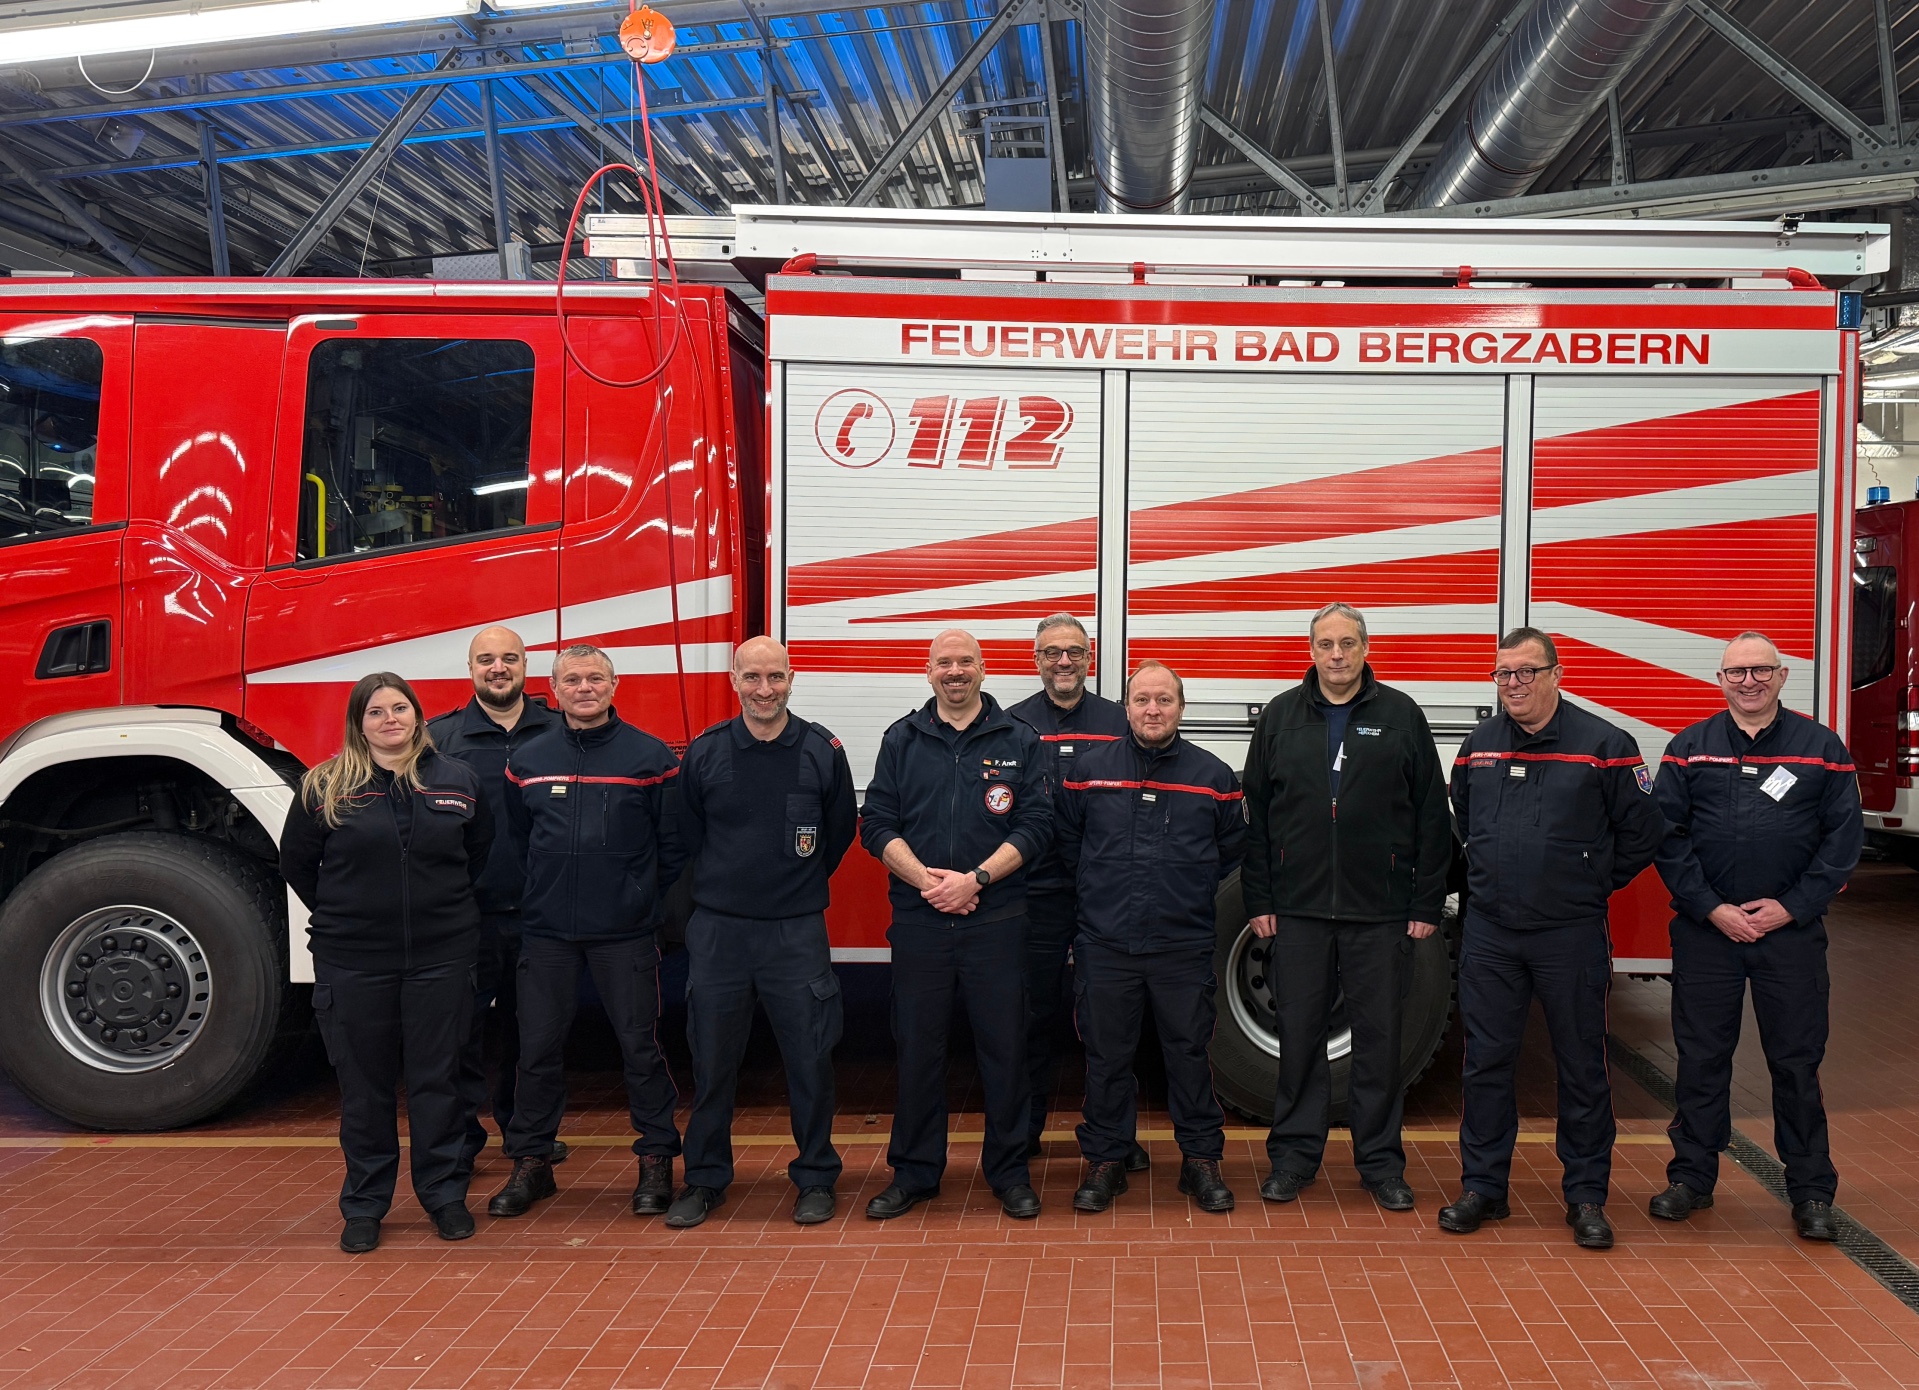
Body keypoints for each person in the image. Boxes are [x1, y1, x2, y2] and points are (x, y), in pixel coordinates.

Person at [1439, 627, 1663, 1250]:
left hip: (1569, 934)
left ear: (1557, 674)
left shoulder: (1606, 745)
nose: (1513, 684)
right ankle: (1483, 1188)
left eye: (1525, 672)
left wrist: (1592, 881)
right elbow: (1463, 820)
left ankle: (1587, 1196)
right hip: (1490, 935)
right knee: (1485, 1064)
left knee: (1582, 1067)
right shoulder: (1477, 748)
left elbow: (1644, 831)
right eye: (1502, 674)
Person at [1241, 603, 1454, 1211]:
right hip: (1300, 912)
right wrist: (1260, 896)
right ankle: (1293, 1160)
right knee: (1300, 1040)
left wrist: (1424, 902)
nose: (1337, 655)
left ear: (1366, 649)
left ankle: (1381, 1164)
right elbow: (1254, 817)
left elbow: (1430, 819)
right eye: (1326, 644)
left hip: (1380, 913)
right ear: (1310, 650)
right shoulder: (1282, 717)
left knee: (1380, 1044)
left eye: (1348, 643)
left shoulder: (1400, 716)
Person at [1650, 631, 1862, 1242]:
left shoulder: (1822, 748)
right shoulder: (1690, 748)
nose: (1749, 681)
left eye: (1760, 670)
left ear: (1782, 675)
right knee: (1701, 1060)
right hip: (1707, 934)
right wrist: (1712, 908)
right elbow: (1668, 838)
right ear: (1720, 680)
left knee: (1796, 1064)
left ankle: (1812, 1191)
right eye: (1737, 672)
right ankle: (1691, 1178)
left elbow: (1842, 843)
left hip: (1789, 938)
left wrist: (1789, 909)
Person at [280, 672, 493, 1254]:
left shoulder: (457, 781)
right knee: (364, 1088)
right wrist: (350, 917)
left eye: (400, 708)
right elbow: (297, 863)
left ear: (418, 716)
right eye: (376, 712)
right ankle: (366, 1205)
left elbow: (478, 855)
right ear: (359, 722)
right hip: (353, 962)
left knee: (438, 1082)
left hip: (441, 958)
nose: (390, 720)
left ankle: (445, 1196)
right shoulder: (324, 786)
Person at [487, 644, 686, 1220]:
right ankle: (532, 1165)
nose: (584, 688)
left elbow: (670, 848)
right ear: (554, 688)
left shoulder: (650, 758)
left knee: (640, 1049)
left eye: (595, 677)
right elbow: (521, 840)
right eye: (572, 679)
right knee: (537, 1051)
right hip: (547, 933)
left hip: (624, 933)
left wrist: (636, 896)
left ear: (614, 684)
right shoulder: (526, 760)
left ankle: (655, 1161)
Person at [859, 629, 1052, 1220]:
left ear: (984, 669)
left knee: (1006, 1050)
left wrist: (976, 881)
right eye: (945, 663)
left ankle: (1010, 1174)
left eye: (966, 661)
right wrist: (928, 882)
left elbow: (1038, 826)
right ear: (928, 671)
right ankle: (915, 1173)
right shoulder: (902, 739)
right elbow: (875, 823)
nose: (955, 672)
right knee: (918, 1048)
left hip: (998, 920)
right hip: (921, 923)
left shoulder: (1020, 739)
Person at [667, 637, 858, 1228]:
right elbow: (688, 835)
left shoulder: (822, 750)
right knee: (712, 1062)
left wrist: (791, 891)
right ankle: (704, 1181)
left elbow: (838, 830)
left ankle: (817, 1178)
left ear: (792, 678)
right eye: (753, 677)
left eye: (775, 676)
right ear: (734, 680)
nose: (765, 689)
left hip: (794, 931)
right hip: (720, 932)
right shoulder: (705, 752)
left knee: (810, 1058)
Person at [1059, 661, 1245, 1214]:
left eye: (1164, 700)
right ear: (1127, 707)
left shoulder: (1213, 777)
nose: (1153, 710)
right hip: (1106, 943)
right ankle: (1107, 1162)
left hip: (1181, 947)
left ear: (1181, 707)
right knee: (1107, 1056)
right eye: (1142, 700)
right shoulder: (1088, 771)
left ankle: (1201, 1162)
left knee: (1188, 1053)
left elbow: (1231, 855)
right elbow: (1069, 847)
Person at [1006, 614, 1146, 1172]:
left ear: (1090, 658)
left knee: (1111, 1024)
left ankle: (1117, 1137)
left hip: (1103, 898)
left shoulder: (1119, 720)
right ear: (1035, 659)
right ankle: (1025, 1131)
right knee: (1030, 1017)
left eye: (1074, 652)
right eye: (1051, 652)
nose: (1063, 661)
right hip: (1033, 895)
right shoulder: (1012, 722)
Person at [426, 626, 561, 1176]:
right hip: (467, 917)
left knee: (535, 1036)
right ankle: (461, 1140)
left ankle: (527, 1135)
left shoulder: (559, 731)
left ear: (527, 666)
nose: (498, 668)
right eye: (487, 660)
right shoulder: (440, 739)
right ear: (471, 668)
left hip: (542, 916)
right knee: (460, 1033)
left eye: (509, 658)